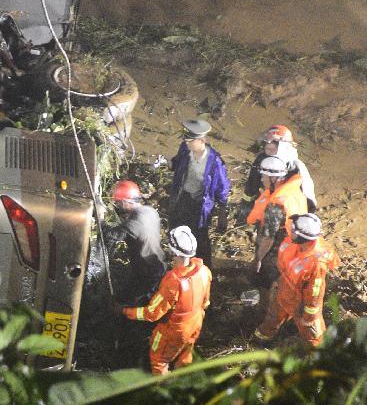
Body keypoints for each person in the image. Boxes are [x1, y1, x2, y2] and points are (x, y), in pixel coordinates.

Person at [120, 226, 212, 374]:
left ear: (173, 252)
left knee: (159, 360)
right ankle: (183, 379)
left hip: (175, 331)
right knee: (185, 355)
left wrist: (124, 311)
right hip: (195, 324)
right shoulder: (204, 271)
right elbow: (206, 302)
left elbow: (152, 313)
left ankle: (163, 388)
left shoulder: (174, 281)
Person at [254, 213, 339, 347]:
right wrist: (278, 281)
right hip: (284, 289)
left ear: (303, 236)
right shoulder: (292, 242)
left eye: (293, 230)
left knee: (313, 336)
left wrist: (308, 317)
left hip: (301, 303)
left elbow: (315, 293)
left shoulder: (316, 264)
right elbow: (285, 265)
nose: (289, 231)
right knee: (272, 318)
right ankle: (260, 340)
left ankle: (318, 357)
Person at [168, 119, 230, 269]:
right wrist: (171, 164)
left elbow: (222, 187)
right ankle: (178, 262)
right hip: (181, 198)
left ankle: (204, 269)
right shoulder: (185, 149)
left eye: (190, 141)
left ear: (202, 140)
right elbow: (177, 162)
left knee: (200, 237)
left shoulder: (214, 162)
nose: (187, 143)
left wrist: (223, 212)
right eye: (186, 140)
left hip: (200, 206)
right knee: (176, 229)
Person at [246, 155, 308, 287]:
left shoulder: (276, 204)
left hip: (277, 250)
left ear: (274, 178)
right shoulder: (293, 191)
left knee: (268, 281)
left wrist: (258, 259)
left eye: (264, 176)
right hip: (292, 245)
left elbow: (268, 238)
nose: (262, 180)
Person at [105, 179, 166, 304]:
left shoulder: (135, 223)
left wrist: (100, 219)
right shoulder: (150, 211)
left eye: (119, 202)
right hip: (157, 264)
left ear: (127, 202)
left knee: (128, 302)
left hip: (147, 273)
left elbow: (110, 236)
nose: (117, 205)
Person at [238, 124, 316, 219]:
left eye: (274, 147)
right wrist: (245, 210)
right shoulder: (261, 159)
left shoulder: (296, 166)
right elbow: (251, 186)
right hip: (267, 203)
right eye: (267, 146)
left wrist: (306, 218)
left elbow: (307, 194)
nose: (269, 151)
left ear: (284, 147)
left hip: (290, 209)